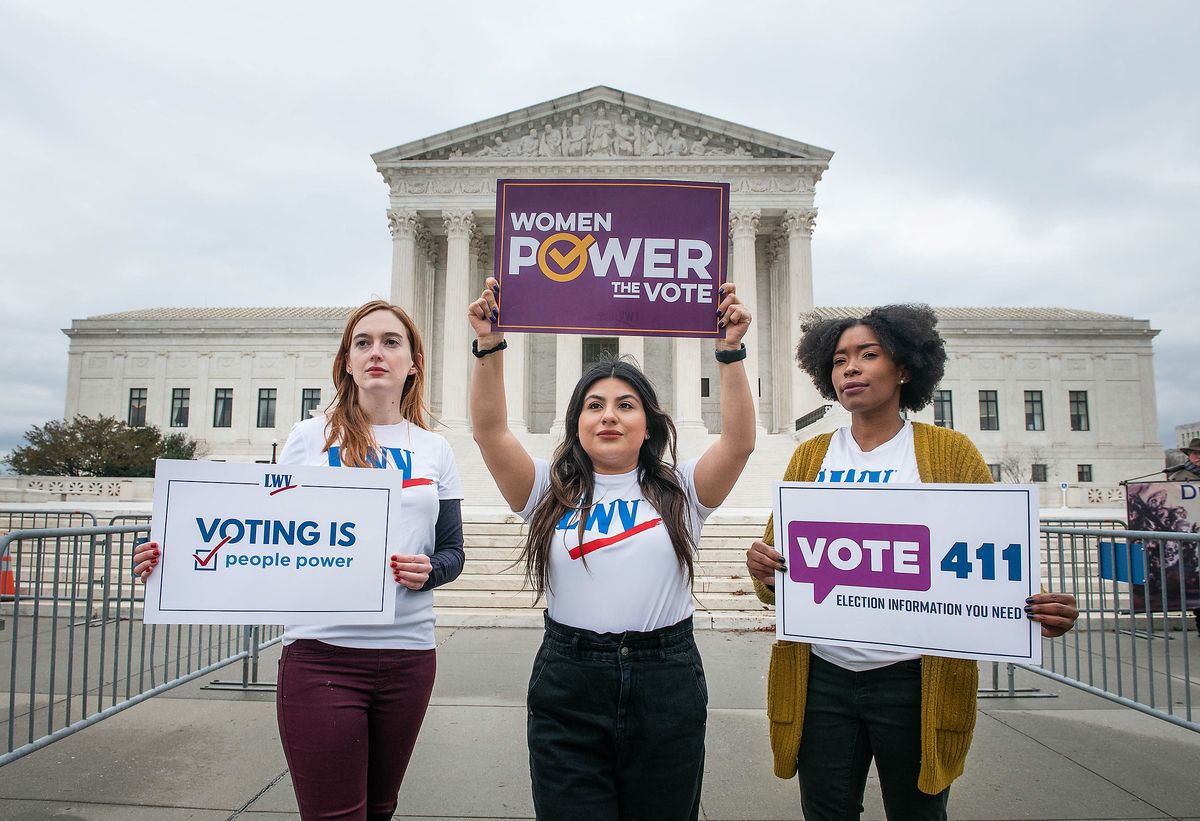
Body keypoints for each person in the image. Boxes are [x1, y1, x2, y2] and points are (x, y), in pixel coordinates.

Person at [134, 300, 464, 821]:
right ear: (347, 363)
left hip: (409, 655)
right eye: (363, 343)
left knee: (380, 808)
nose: (376, 352)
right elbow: (261, 530)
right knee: (334, 814)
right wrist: (172, 557)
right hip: (322, 655)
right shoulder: (310, 438)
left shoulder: (434, 450)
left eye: (391, 341)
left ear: (414, 362)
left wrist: (431, 572)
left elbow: (452, 550)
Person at [746, 304, 1079, 821]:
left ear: (904, 368)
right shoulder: (810, 457)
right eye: (838, 360)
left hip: (914, 679)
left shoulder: (950, 454)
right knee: (825, 812)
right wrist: (763, 568)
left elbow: (987, 564)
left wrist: (1036, 610)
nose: (850, 369)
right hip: (822, 678)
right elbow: (778, 579)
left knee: (918, 813)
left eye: (867, 355)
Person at [467, 276, 755, 820]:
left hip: (664, 678)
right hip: (569, 680)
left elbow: (739, 443)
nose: (609, 415)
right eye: (594, 405)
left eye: (625, 405)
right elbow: (489, 431)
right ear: (577, 425)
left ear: (648, 425)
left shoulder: (682, 491)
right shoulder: (546, 493)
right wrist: (489, 343)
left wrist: (731, 352)